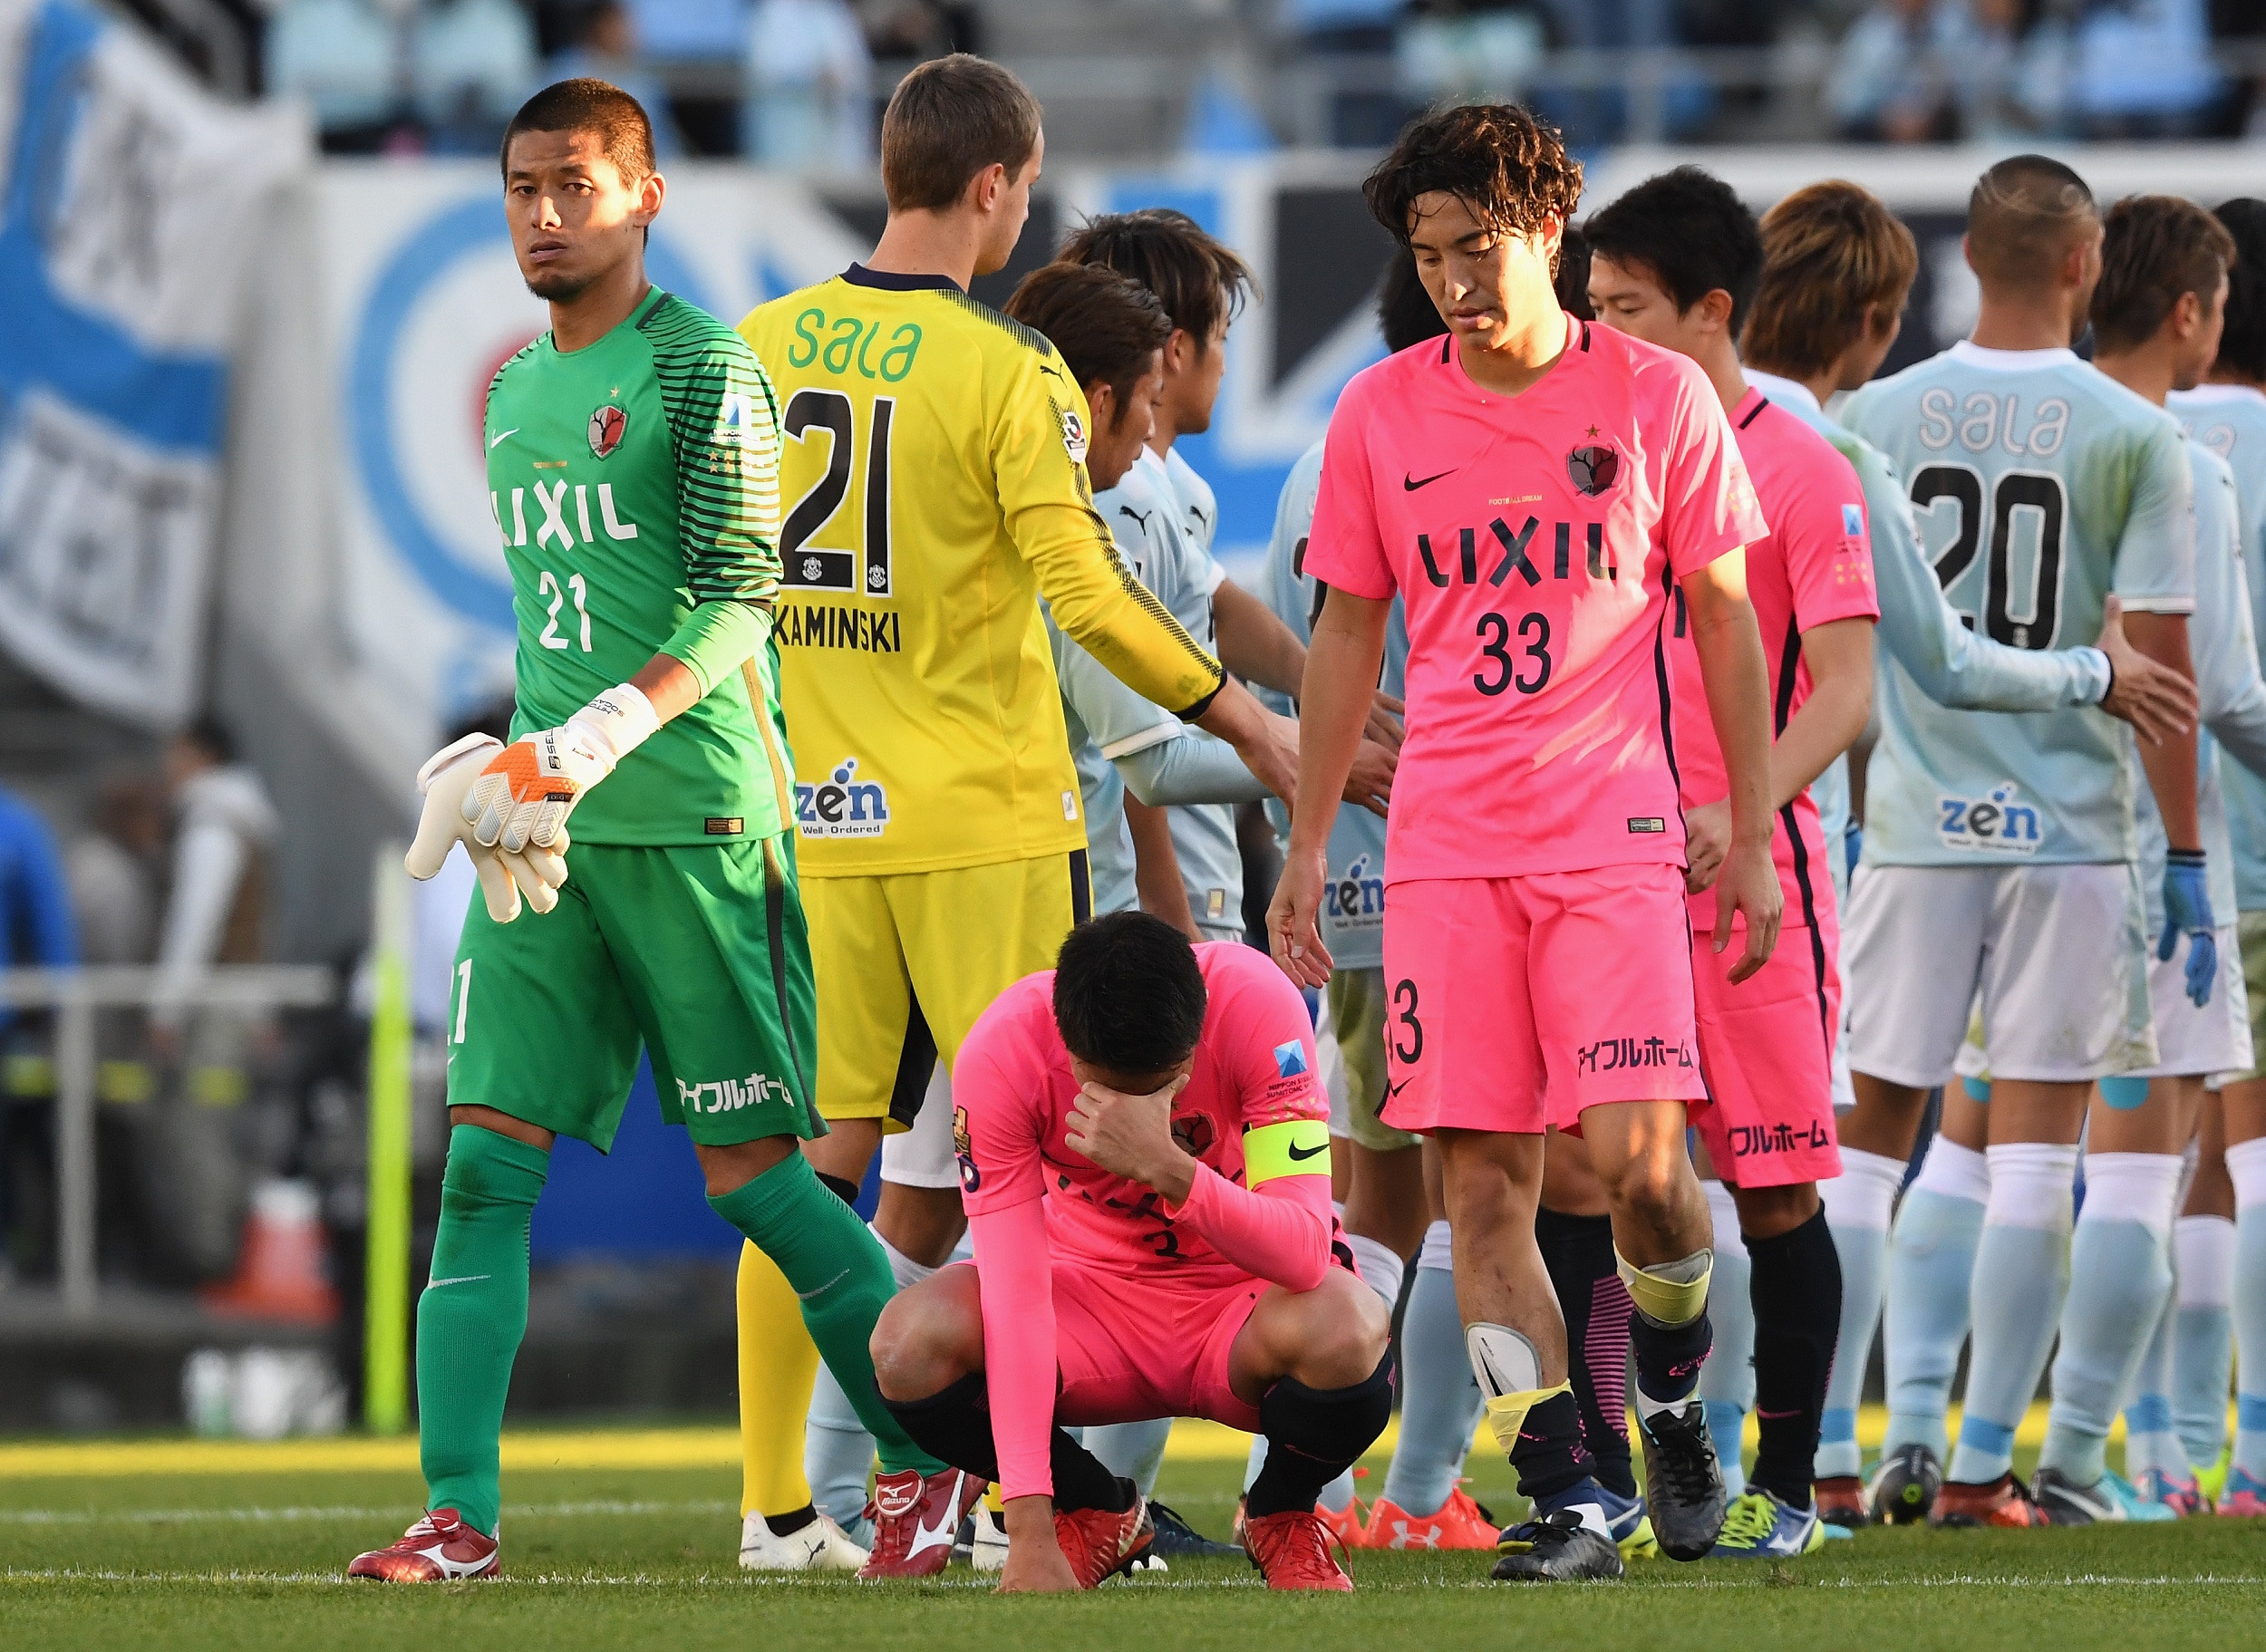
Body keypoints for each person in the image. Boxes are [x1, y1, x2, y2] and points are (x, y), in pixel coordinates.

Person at [347, 78, 926, 1584]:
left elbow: (747, 594)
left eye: (577, 185)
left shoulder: (703, 369)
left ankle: (931, 1478)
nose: (546, 214)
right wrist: (510, 751)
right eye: (525, 189)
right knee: (481, 1165)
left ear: (644, 195)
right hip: (545, 839)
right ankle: (456, 1513)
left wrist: (603, 730)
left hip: (690, 819)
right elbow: (560, 617)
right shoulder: (514, 388)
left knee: (758, 1180)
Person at [730, 54, 1295, 1578]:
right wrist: (1247, 718)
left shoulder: (759, 345)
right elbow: (1083, 591)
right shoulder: (1010, 371)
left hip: (824, 816)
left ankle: (779, 1501)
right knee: (1027, 1160)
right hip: (983, 815)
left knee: (818, 1157)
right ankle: (982, 1494)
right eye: (1025, 191)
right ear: (993, 186)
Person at [1271, 101, 1785, 1582]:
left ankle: (1675, 1397)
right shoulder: (1377, 415)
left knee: (1639, 1171)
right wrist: (1308, 847)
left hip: (1614, 840)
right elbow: (1347, 634)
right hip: (1441, 850)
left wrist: (1747, 831)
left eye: (1477, 247)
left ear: (1550, 230)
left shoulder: (1661, 400)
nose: (1453, 280)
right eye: (1429, 255)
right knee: (1477, 1189)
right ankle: (1568, 1487)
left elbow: (1730, 620)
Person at [1732, 176, 2202, 1527]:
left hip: (1916, 818)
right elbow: (2154, 666)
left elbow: (1858, 651)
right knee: (2039, 1147)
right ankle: (1986, 1465)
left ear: (1968, 261)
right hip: (2070, 827)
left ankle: (1826, 1451)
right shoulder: (2136, 434)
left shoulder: (1864, 418)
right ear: (2084, 260)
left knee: (1865, 1143)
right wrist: (2182, 854)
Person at [1051, 207, 1397, 1512]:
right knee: (1141, 1227)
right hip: (1125, 902)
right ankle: (1031, 1486)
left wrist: (1322, 693)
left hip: (1180, 895)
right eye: (1212, 344)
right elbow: (1138, 744)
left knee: (1179, 1221)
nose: (1211, 374)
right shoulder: (1102, 489)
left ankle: (1117, 1492)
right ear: (1164, 350)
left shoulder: (1169, 486)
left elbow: (1214, 613)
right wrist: (1318, 753)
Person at [1583, 166, 1880, 1560]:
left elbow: (1848, 689)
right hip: (1609, 872)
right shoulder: (1591, 448)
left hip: (1751, 881)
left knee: (1776, 1187)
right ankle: (1615, 1474)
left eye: (1627, 308)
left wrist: (1749, 817)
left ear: (1712, 311)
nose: (1602, 331)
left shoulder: (1802, 465)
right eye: (1591, 304)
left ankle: (1794, 1485)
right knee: (1607, 1179)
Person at [868, 912, 1394, 1592]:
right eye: (1107, 1085)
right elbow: (1015, 1296)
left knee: (1352, 1324)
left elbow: (1302, 1252)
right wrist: (1028, 1526)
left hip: (1243, 1306)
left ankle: (1281, 1512)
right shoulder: (1004, 1051)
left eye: (1161, 1084)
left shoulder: (1257, 1001)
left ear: (1196, 1032)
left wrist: (1171, 1170)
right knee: (906, 1343)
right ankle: (1091, 1507)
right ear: (1067, 1042)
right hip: (1088, 1304)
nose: (1128, 1108)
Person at [2027, 193, 2262, 1526]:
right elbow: (2208, 687)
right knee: (2151, 1155)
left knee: (1989, 1146)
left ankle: (1950, 1445)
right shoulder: (2174, 455)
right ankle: (2083, 1455)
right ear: (2187, 310)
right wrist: (2185, 846)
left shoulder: (2004, 427)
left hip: (1993, 841)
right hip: (2143, 849)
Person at [2168, 198, 2266, 1517]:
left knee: (2188, 1155)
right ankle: (2248, 1455)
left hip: (2137, 847)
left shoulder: (2141, 434)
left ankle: (2165, 1444)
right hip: (2249, 836)